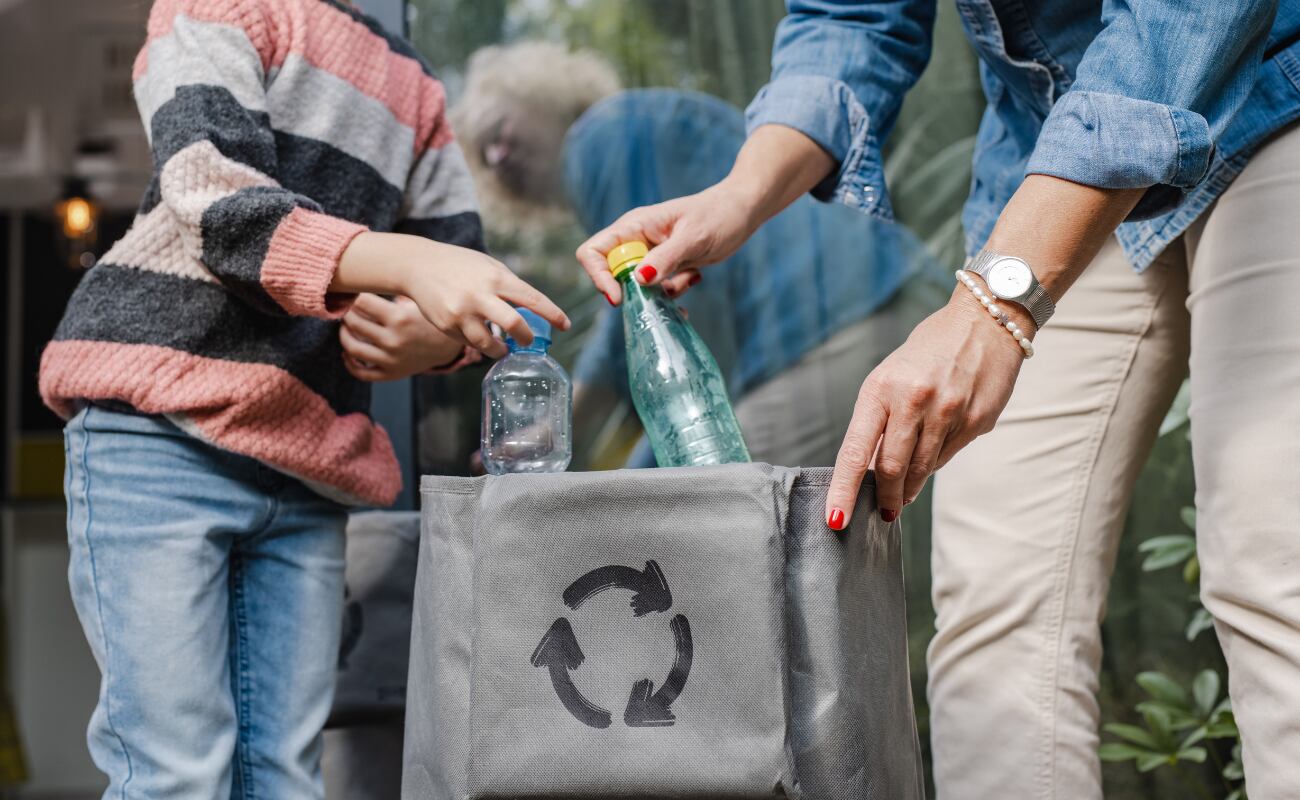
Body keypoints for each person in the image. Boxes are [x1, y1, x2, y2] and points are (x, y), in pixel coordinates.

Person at [575, 2, 1300, 798]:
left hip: (1273, 91)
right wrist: (741, 194)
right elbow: (852, 17)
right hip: (1056, 141)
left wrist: (996, 305)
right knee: (995, 610)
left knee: (1276, 574)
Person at [38, 0, 566, 797]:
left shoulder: (414, 83)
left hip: (307, 470)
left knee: (286, 774)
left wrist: (436, 338)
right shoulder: (222, 8)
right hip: (157, 440)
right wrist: (403, 265)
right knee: (176, 770)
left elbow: (453, 265)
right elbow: (216, 202)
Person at [453, 41, 937, 468]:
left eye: (500, 129)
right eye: (485, 153)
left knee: (693, 525)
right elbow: (633, 317)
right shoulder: (631, 131)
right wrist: (563, 430)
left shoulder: (599, 139)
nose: (498, 156)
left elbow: (647, 319)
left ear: (540, 95)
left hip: (836, 329)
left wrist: (585, 445)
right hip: (887, 301)